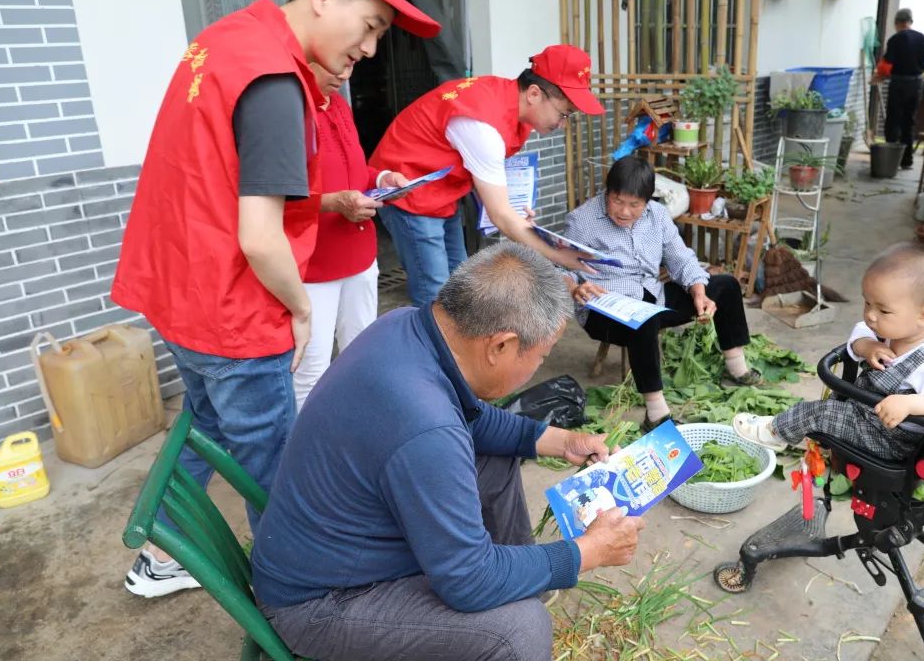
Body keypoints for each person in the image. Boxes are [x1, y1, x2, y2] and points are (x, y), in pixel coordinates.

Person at [113, 0, 440, 598]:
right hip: (231, 310)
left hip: (180, 295)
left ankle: (160, 553)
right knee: (278, 472)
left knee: (205, 426)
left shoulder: (227, 40)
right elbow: (261, 240)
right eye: (370, 26)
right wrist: (299, 307)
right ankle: (296, 600)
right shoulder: (274, 82)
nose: (369, 49)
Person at [252, 243, 645, 661]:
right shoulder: (426, 426)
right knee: (519, 631)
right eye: (541, 356)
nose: (539, 366)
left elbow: (472, 418)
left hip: (333, 547)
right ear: (501, 346)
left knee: (494, 459)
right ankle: (514, 601)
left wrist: (561, 441)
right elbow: (468, 582)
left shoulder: (406, 327)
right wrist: (586, 552)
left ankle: (523, 583)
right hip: (323, 603)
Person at [370, 44, 606, 306]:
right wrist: (558, 256)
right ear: (534, 93)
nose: (562, 124)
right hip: (407, 188)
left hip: (443, 190)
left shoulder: (512, 104)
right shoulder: (483, 124)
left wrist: (513, 214)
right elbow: (500, 215)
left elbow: (496, 194)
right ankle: (431, 331)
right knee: (434, 293)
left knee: (459, 282)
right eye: (564, 114)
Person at [563, 156, 761, 430]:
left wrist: (699, 292)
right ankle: (655, 413)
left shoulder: (657, 215)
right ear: (607, 192)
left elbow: (681, 259)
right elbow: (559, 267)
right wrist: (575, 287)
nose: (624, 211)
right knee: (643, 319)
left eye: (634, 205)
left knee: (726, 285)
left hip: (653, 295)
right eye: (617, 201)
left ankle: (736, 367)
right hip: (604, 310)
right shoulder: (583, 220)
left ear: (647, 200)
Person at [734, 242, 924, 460]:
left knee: (820, 413)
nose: (871, 316)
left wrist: (910, 404)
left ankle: (774, 433)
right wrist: (867, 345)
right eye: (867, 303)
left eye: (883, 310)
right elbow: (861, 329)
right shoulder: (897, 326)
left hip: (891, 439)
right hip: (866, 412)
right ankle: (812, 435)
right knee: (833, 404)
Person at [290, 61, 409, 410]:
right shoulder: (289, 111)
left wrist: (383, 179)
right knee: (311, 369)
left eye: (350, 64)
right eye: (337, 64)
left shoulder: (339, 105)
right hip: (314, 268)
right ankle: (305, 439)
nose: (344, 75)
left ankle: (356, 422)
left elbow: (354, 171)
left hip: (360, 257)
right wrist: (332, 203)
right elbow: (275, 200)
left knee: (361, 351)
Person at [873, 8, 924, 170]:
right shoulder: (922, 38)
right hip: (917, 84)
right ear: (910, 22)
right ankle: (907, 160)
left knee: (893, 120)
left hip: (899, 84)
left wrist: (878, 76)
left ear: (896, 23)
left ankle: (890, 160)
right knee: (908, 121)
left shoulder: (896, 39)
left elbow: (886, 65)